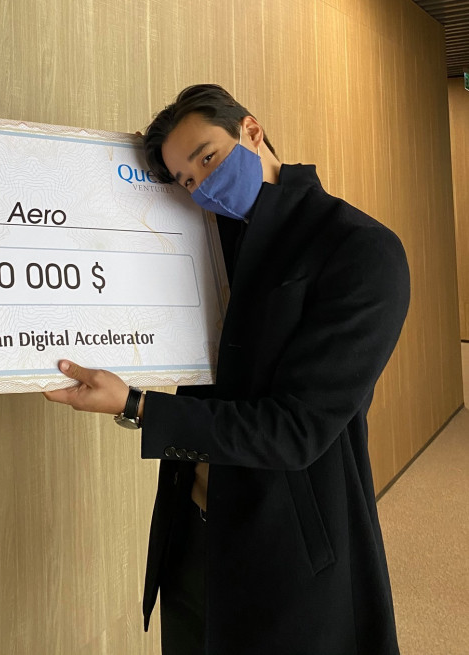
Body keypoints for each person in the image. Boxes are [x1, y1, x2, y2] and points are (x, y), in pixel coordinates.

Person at [44, 84, 409, 655]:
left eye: (208, 158)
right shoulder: (209, 245)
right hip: (191, 534)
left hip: (289, 548)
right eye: (187, 181)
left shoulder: (360, 249)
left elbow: (296, 430)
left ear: (251, 130)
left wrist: (137, 406)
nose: (204, 185)